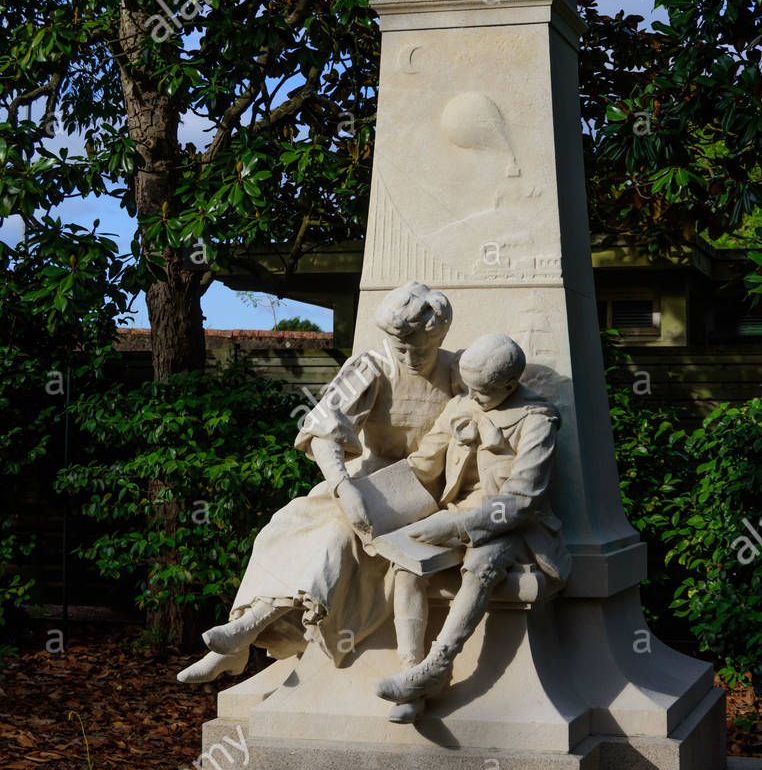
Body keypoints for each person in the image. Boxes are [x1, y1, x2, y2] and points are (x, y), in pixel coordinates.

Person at [177, 282, 459, 684]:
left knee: (335, 540)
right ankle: (241, 637)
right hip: (365, 482)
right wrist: (344, 487)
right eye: (401, 346)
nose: (409, 356)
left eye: (420, 347)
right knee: (285, 527)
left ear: (439, 337)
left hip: (422, 493)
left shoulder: (457, 372)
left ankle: (244, 635)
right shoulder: (371, 366)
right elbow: (325, 430)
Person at [374, 333, 570, 721]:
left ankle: (438, 664)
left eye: (480, 391)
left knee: (483, 562)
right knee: (405, 565)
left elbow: (523, 500)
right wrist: (371, 497)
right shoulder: (462, 405)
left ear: (510, 385)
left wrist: (457, 525)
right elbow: (424, 462)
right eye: (466, 386)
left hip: (517, 530)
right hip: (453, 515)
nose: (470, 395)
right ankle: (412, 674)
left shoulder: (537, 420)